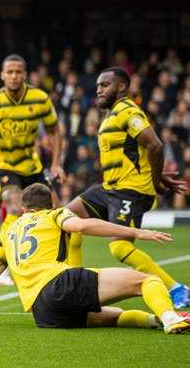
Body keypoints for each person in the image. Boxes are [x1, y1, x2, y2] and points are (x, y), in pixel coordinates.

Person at [0, 183, 190, 334]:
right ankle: (171, 318)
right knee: (147, 281)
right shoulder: (55, 214)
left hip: (43, 312)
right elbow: (83, 226)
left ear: (23, 208)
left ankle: (156, 320)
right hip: (60, 283)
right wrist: (136, 232)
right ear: (51, 204)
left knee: (111, 316)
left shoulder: (8, 231)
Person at [64, 67, 190, 309]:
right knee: (66, 218)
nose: (98, 89)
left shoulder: (128, 111)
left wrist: (154, 181)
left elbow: (154, 145)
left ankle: (176, 289)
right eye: (98, 85)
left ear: (121, 87)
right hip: (109, 188)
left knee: (120, 247)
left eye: (105, 85)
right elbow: (137, 153)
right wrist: (158, 173)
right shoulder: (110, 115)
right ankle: (74, 281)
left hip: (130, 191)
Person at [0, 54, 66, 286]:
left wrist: (56, 163)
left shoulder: (39, 99)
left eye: (18, 72)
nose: (13, 76)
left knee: (57, 209)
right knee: (13, 203)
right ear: (1, 75)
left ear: (25, 74)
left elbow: (55, 131)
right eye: (9, 72)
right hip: (4, 165)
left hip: (32, 165)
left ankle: (59, 263)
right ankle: (5, 266)